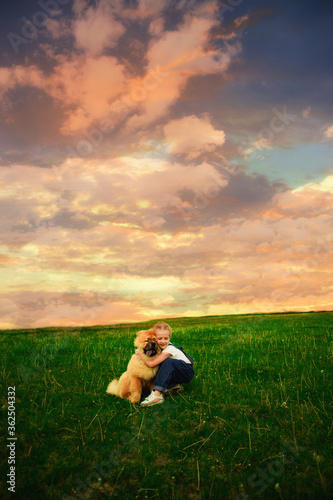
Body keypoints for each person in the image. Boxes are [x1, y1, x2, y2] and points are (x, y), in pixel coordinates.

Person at [135, 322, 194, 406]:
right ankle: (174, 386)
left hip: (186, 371)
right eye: (159, 339)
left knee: (167, 362)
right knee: (162, 365)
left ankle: (157, 395)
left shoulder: (169, 349)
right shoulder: (162, 348)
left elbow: (151, 364)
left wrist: (140, 354)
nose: (163, 341)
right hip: (179, 371)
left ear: (169, 338)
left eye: (166, 338)